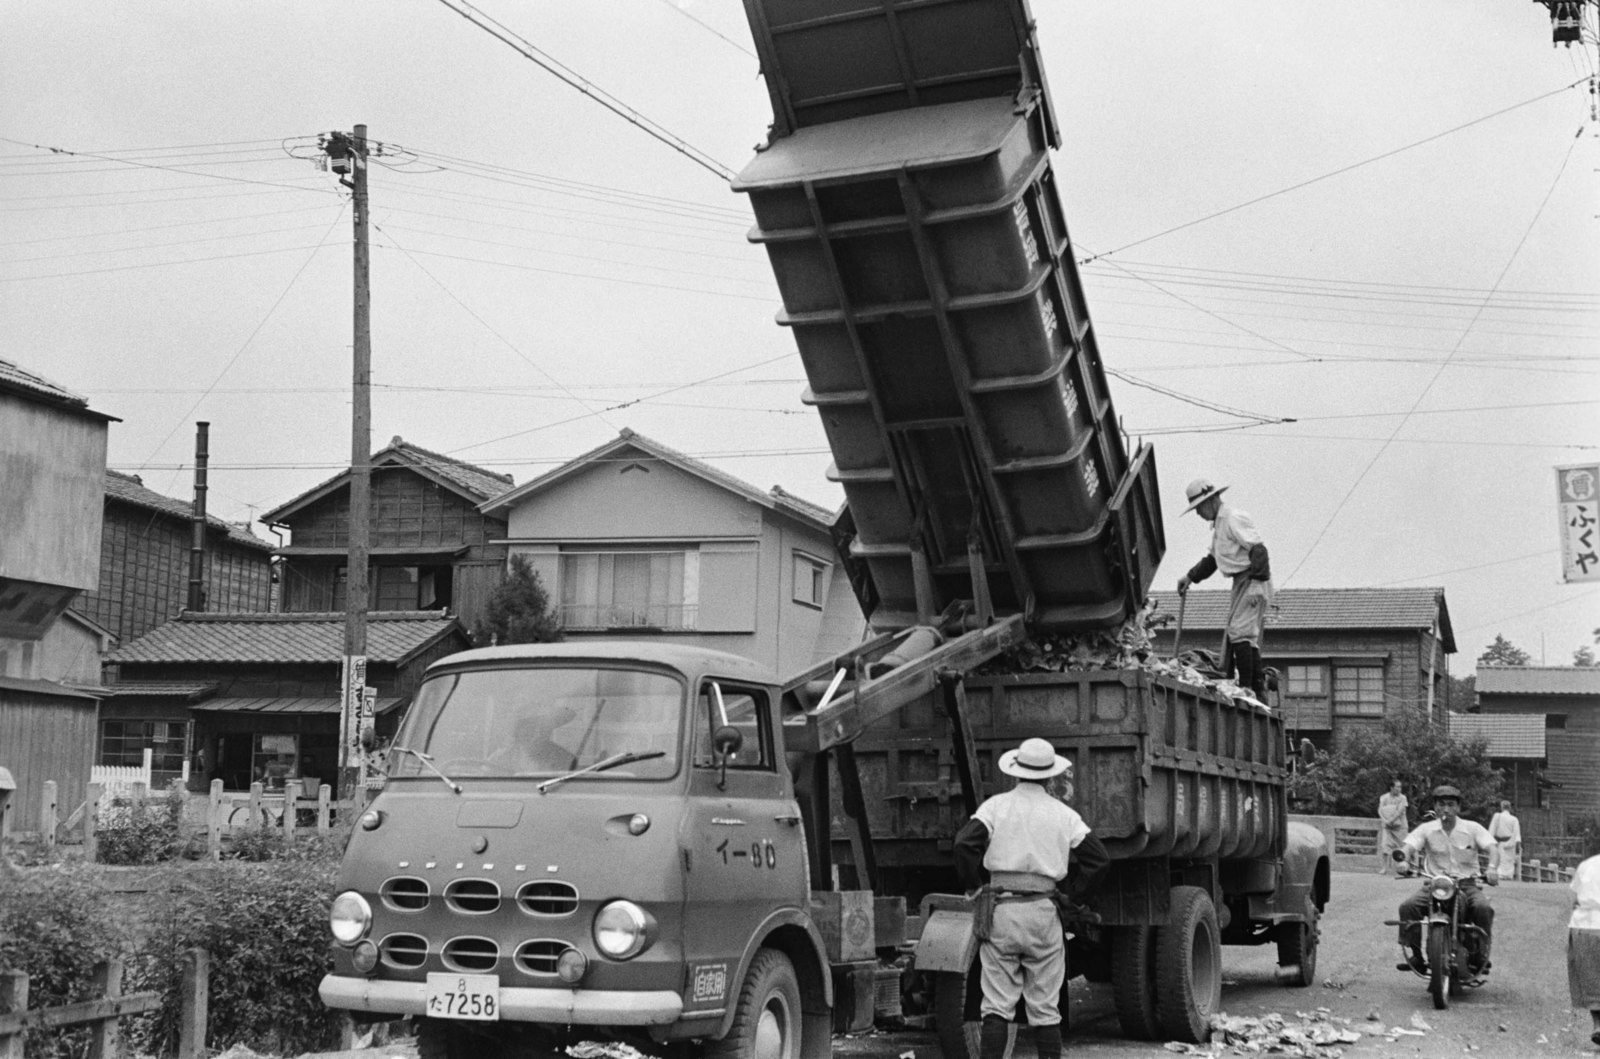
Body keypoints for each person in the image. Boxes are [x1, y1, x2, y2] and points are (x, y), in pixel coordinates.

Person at [953, 738, 1110, 1059]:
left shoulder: (995, 807)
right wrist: (1071, 897)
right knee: (1045, 1008)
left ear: (1015, 772)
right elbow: (1099, 860)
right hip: (1043, 913)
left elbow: (963, 845)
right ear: (1051, 777)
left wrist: (975, 888)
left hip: (1002, 912)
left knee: (996, 1006)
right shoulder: (1064, 814)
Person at [1175, 478, 1274, 701]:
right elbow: (1212, 560)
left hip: (1253, 577)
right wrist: (1190, 576)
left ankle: (1247, 688)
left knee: (1240, 631)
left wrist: (1258, 583)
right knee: (1241, 633)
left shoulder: (1232, 517)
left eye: (1198, 508)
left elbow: (1258, 548)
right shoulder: (1219, 526)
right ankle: (1257, 690)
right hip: (1241, 580)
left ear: (1209, 501)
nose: (1198, 514)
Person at [1396, 785, 1499, 972]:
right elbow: (1409, 846)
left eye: (1451, 805)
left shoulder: (1472, 828)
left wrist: (1492, 868)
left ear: (1458, 807)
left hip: (1466, 884)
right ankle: (1417, 955)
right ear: (1435, 806)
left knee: (1484, 908)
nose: (1446, 809)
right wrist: (1403, 860)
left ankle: (1480, 954)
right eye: (1441, 804)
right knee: (1408, 907)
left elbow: (1492, 848)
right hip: (1436, 884)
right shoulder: (1427, 829)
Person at [1567, 852, 1600, 1047]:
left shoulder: (1587, 865)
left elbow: (1574, 900)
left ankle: (1598, 1025)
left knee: (1591, 979)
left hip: (1585, 926)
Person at [1378, 779, 1409, 875]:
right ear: (1391, 787)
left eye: (1400, 787)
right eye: (1397, 787)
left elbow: (1399, 811)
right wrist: (1385, 820)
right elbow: (1380, 810)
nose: (1399, 789)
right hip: (1387, 826)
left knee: (1403, 847)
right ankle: (1384, 868)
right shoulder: (1384, 797)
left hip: (1400, 826)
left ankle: (1404, 868)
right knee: (1385, 846)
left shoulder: (1403, 798)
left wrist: (1390, 820)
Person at [1487, 799, 1522, 882]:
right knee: (1509, 861)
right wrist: (1517, 843)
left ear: (1502, 807)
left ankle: (1501, 875)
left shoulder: (1497, 816)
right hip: (1511, 841)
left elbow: (1492, 829)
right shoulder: (1514, 819)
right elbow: (1517, 833)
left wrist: (1489, 841)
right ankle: (1508, 875)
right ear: (1509, 808)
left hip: (1499, 841)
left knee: (1500, 860)